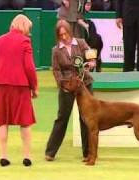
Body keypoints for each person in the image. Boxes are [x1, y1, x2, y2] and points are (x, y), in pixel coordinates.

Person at [0, 14, 38, 167]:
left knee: (2, 121)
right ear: (24, 27)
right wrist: (34, 87)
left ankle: (3, 156)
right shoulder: (25, 41)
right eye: (29, 29)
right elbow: (29, 67)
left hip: (2, 84)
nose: (29, 32)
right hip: (21, 85)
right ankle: (26, 156)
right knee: (25, 122)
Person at [45, 19, 96, 162]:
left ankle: (88, 153)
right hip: (67, 87)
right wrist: (63, 84)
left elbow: (91, 54)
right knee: (62, 118)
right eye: (60, 35)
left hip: (85, 84)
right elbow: (56, 70)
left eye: (65, 33)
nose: (64, 37)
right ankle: (50, 152)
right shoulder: (56, 50)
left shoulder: (80, 42)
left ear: (70, 32)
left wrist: (92, 62)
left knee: (86, 119)